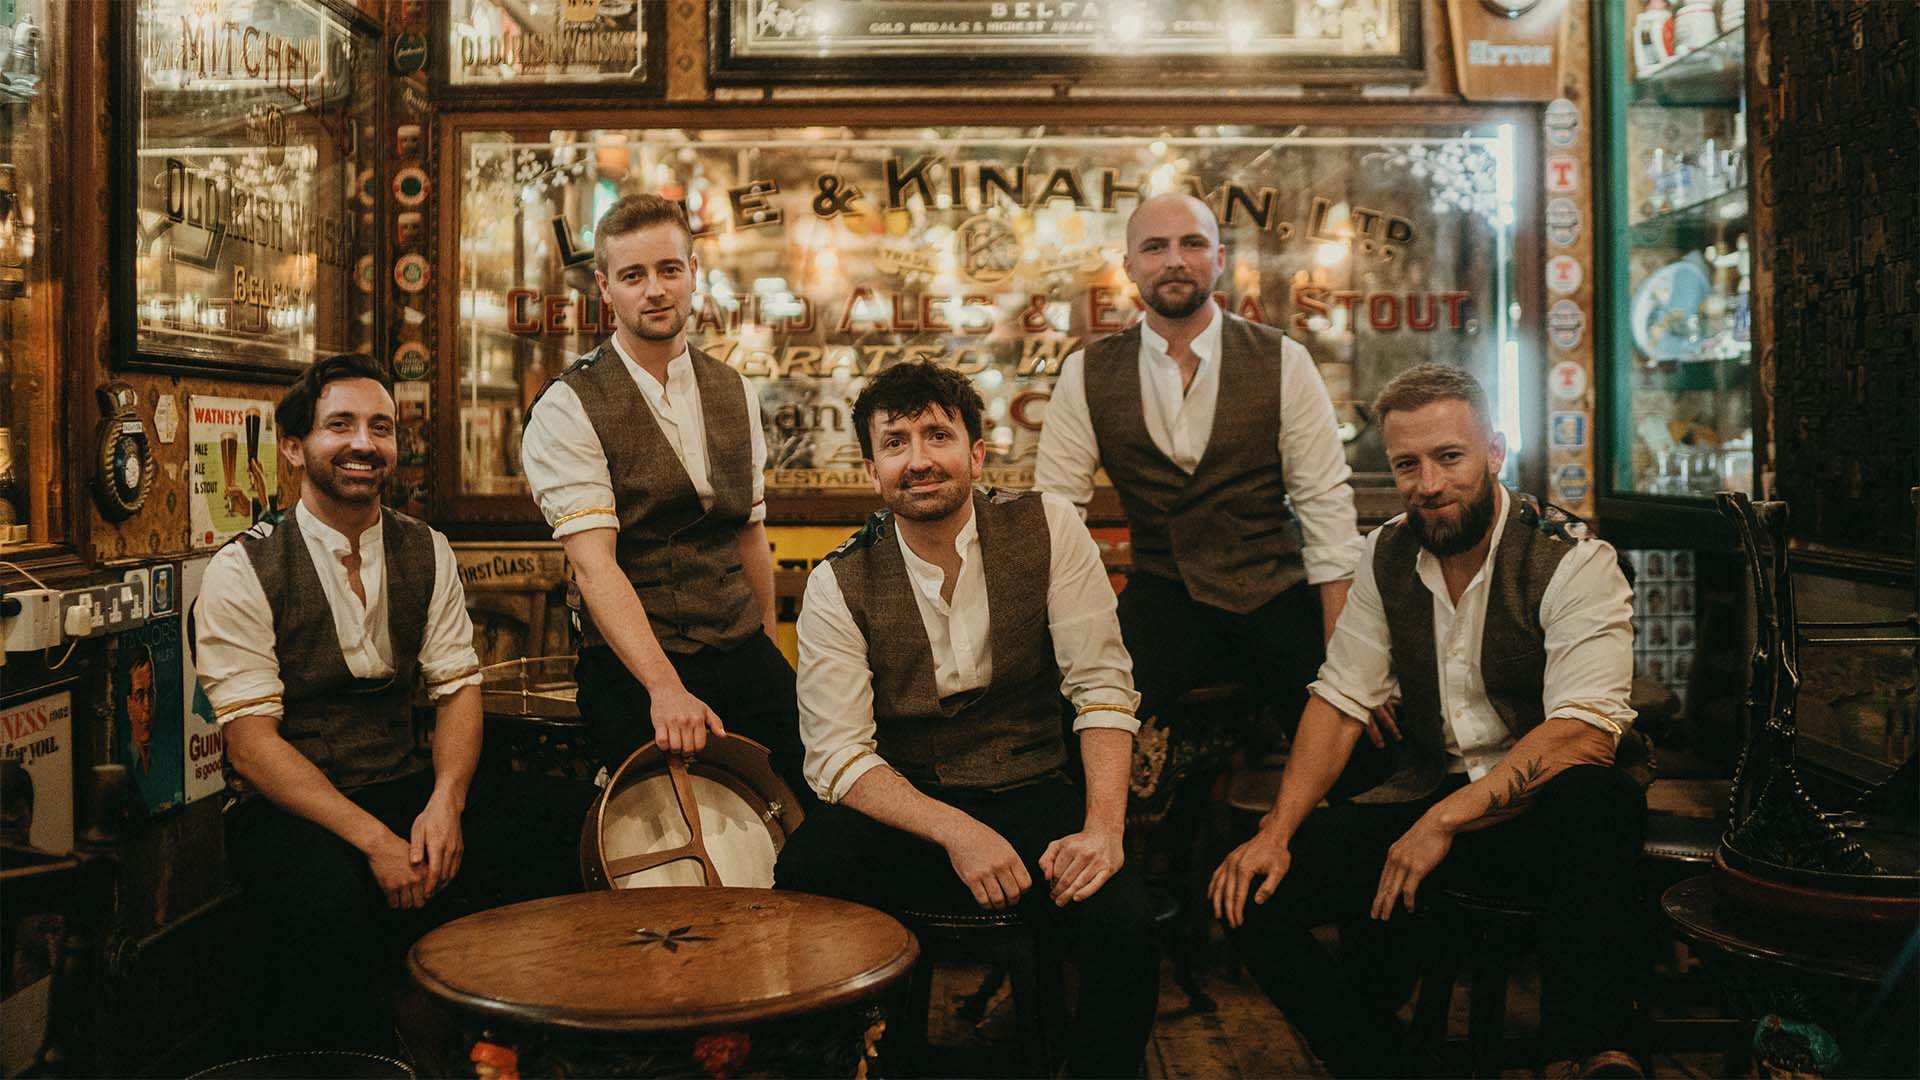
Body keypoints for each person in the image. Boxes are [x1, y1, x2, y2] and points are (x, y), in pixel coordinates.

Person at [1207, 363, 1649, 1079]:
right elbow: (1341, 697)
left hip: (1545, 815)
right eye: (1407, 465)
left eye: (1451, 457)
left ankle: (1581, 1051)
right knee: (1250, 893)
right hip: (1426, 792)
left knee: (1600, 800)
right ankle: (1380, 1063)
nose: (1431, 484)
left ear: (1495, 453)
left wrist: (1444, 822)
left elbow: (1585, 733)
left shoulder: (1573, 558)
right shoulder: (1385, 553)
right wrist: (1277, 831)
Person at [194, 354, 593, 1053]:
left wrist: (446, 802)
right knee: (330, 904)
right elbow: (252, 746)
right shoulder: (244, 567)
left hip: (400, 783)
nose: (363, 443)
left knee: (574, 826)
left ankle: (488, 1036)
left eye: (380, 427)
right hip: (292, 808)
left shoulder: (425, 549)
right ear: (295, 448)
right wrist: (378, 842)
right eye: (339, 425)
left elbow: (458, 689)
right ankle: (358, 1061)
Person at [775, 362, 1159, 1078]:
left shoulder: (1049, 527)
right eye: (896, 442)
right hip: (909, 803)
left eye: (937, 435)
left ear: (977, 454)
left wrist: (1104, 831)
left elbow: (1102, 688)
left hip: (1029, 785)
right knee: (805, 875)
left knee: (1126, 927)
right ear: (872, 469)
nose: (918, 459)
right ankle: (868, 1065)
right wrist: (957, 831)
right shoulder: (838, 581)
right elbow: (835, 756)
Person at [1035, 192, 1366, 739]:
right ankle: (1103, 828)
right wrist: (1067, 642)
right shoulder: (1086, 373)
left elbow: (1327, 513)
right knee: (1074, 728)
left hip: (1273, 594)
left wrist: (1347, 664)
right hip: (1163, 597)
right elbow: (1056, 519)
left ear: (1219, 256)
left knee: (1356, 740)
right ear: (1129, 266)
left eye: (1191, 243)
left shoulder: (1284, 360)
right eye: (1154, 247)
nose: (1174, 260)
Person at [521, 193, 810, 805]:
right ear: (605, 288)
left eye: (668, 270)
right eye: (633, 276)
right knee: (660, 823)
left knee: (810, 797)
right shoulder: (569, 405)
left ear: (693, 275)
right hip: (632, 662)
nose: (654, 290)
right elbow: (594, 564)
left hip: (738, 647)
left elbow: (748, 533)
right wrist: (664, 687)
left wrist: (761, 643)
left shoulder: (733, 389)